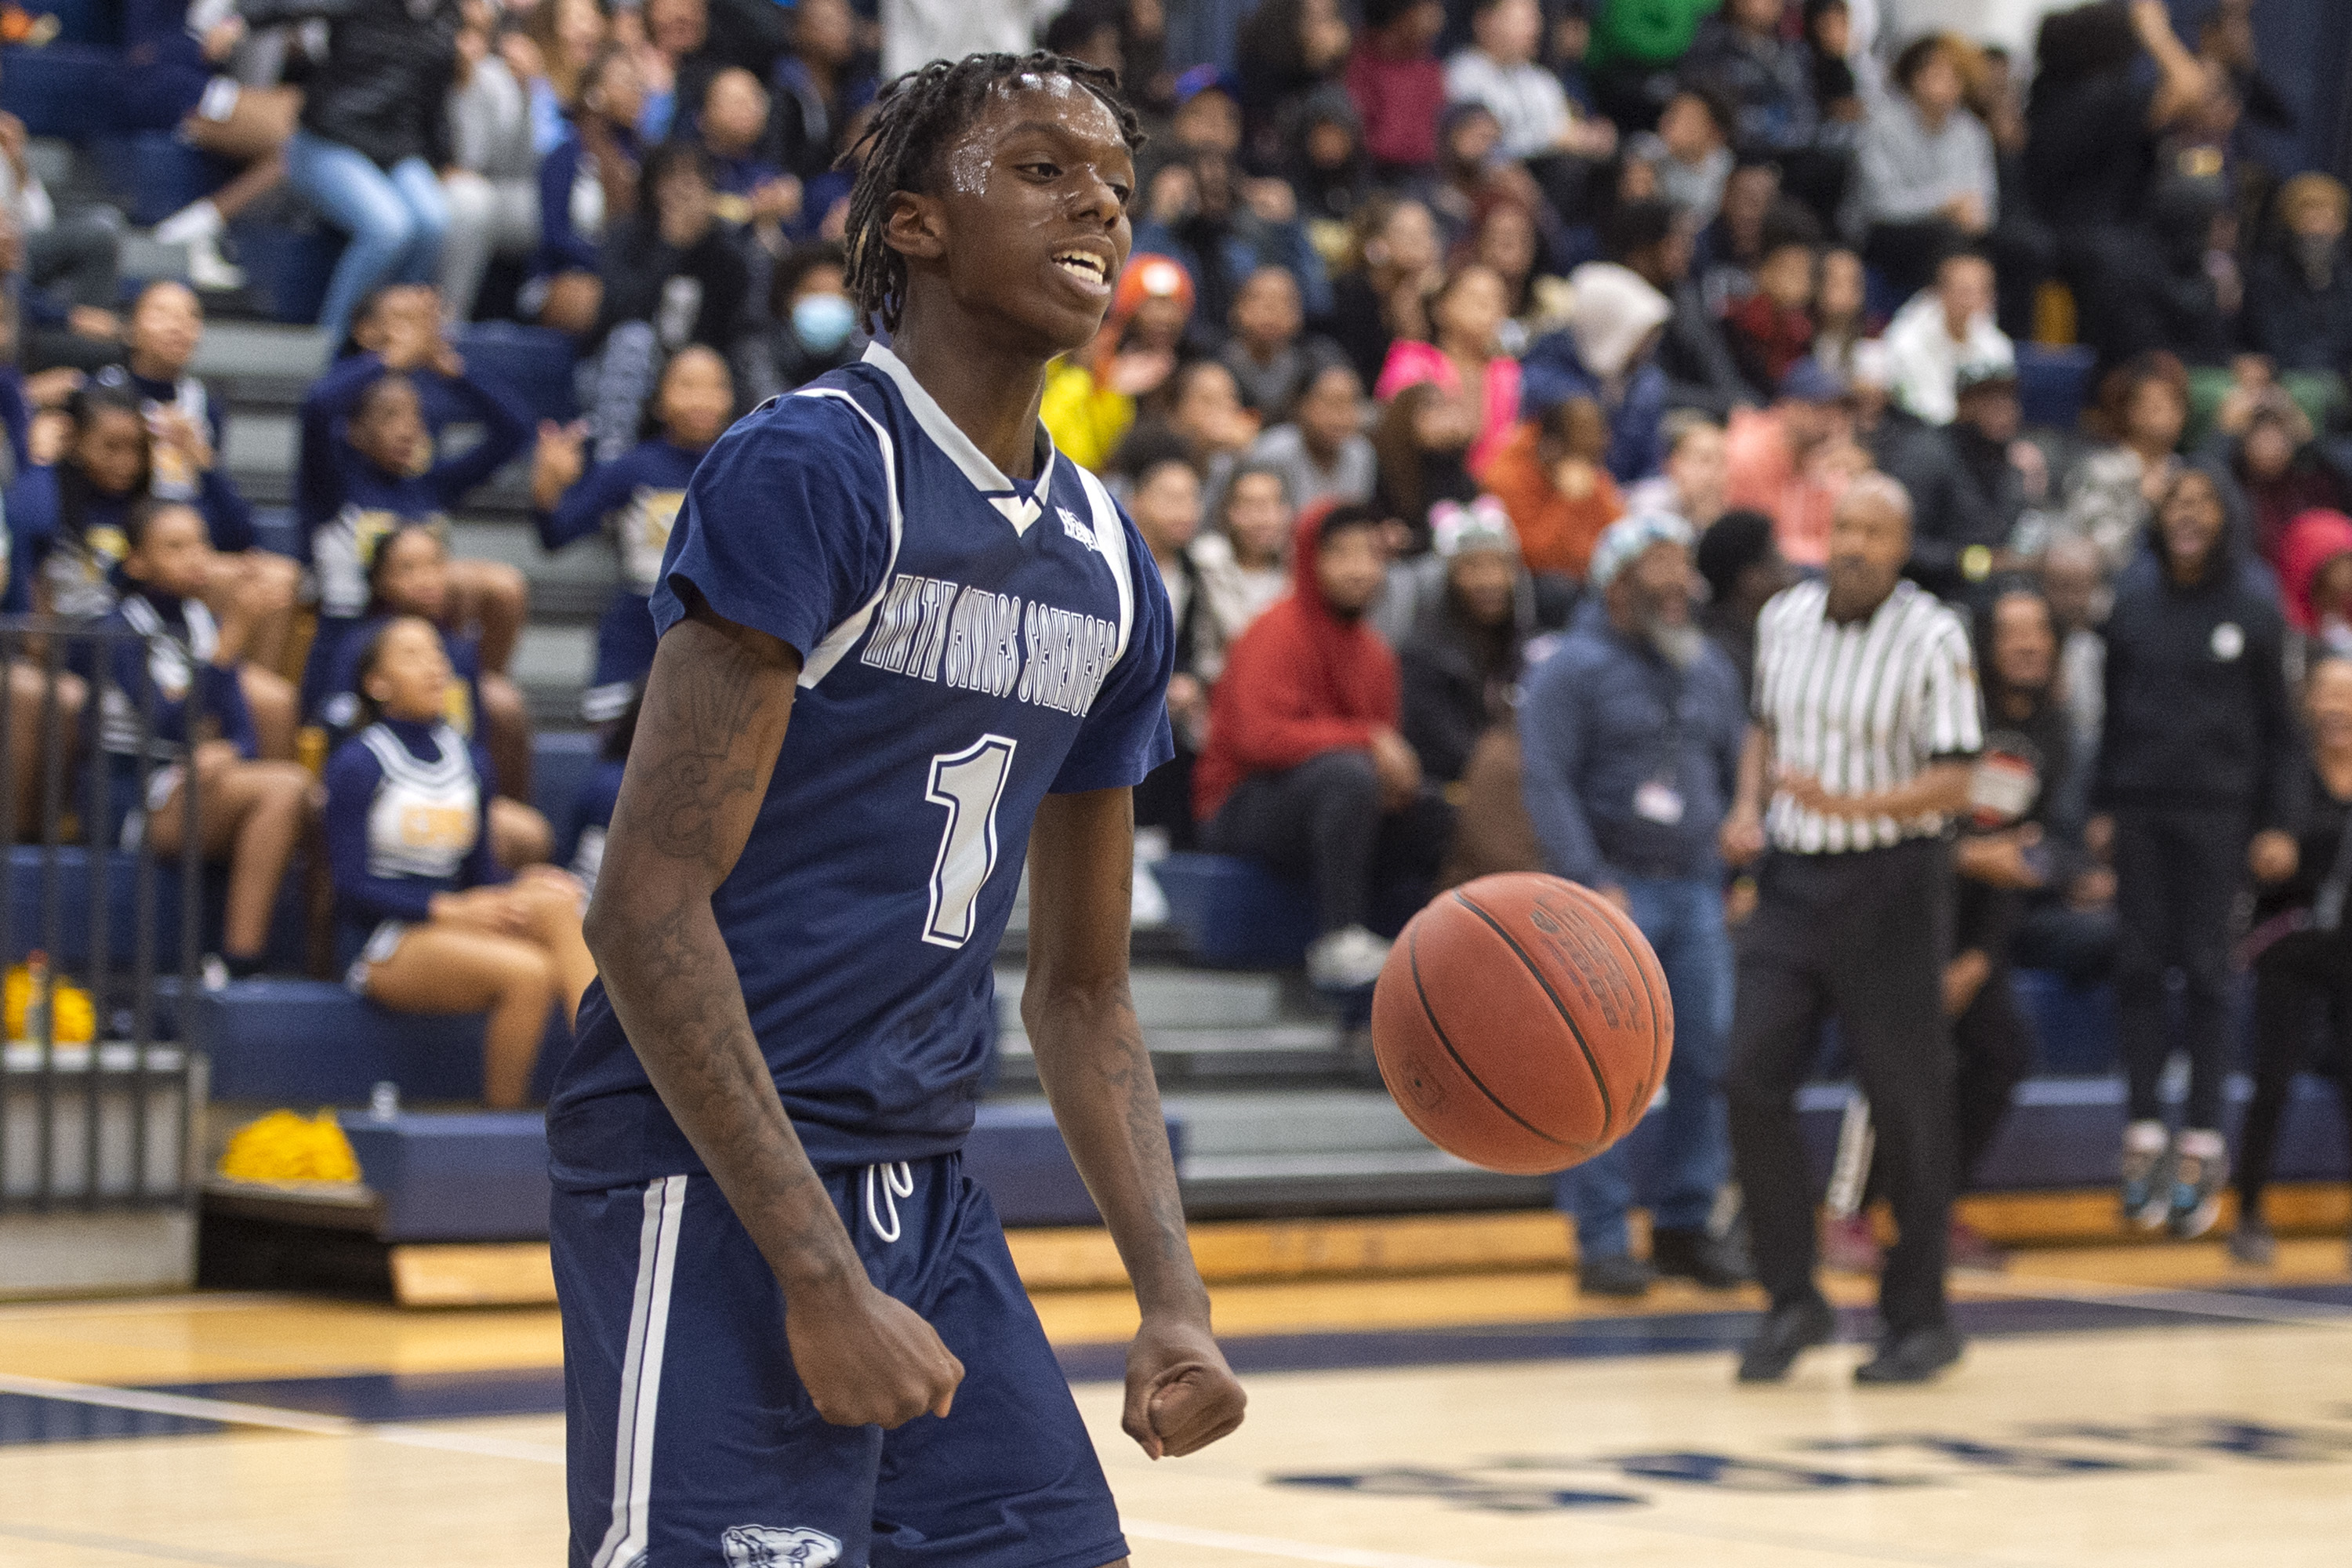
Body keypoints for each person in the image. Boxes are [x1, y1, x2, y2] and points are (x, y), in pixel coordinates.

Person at [544, 52, 1243, 1564]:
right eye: (1046, 170)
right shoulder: (815, 469)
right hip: (709, 1174)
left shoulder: (1112, 563)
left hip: (921, 1190)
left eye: (1116, 183)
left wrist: (1171, 1299)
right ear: (915, 223)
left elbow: (1083, 986)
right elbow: (642, 905)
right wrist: (813, 1276)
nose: (1101, 208)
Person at [1724, 474, 1984, 1386]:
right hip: (1794, 879)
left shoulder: (1935, 633)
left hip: (1893, 879)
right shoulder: (1783, 619)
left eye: (1878, 530)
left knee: (1908, 1103)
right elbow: (1762, 725)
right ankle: (1792, 1298)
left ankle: (1922, 1316)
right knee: (1749, 1077)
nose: (1857, 544)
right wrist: (1748, 805)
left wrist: (1855, 800)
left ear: (1903, 546)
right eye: (1846, 526)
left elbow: (1958, 779)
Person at [1521, 511, 1748, 1298]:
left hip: (1694, 886)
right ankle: (1605, 1236)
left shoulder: (1710, 665)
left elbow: (1737, 759)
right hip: (1613, 887)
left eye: (1686, 565)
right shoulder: (1570, 666)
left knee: (1705, 1057)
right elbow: (1545, 779)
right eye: (1662, 565)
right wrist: (1586, 877)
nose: (1682, 581)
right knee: (1605, 1068)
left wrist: (1739, 833)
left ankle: (1688, 1223)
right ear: (1618, 583)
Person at [2096, 466, 2298, 1240]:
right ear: (2161, 514)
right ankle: (2145, 1133)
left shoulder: (2253, 599)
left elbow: (2280, 729)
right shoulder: (2135, 594)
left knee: (2210, 973)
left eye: (2203, 503)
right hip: (2141, 807)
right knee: (2139, 967)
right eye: (2176, 501)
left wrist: (2276, 820)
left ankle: (2204, 1142)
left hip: (2220, 814)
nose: (2188, 514)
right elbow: (2113, 708)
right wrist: (2102, 803)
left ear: (2225, 516)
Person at [326, 617, 593, 1109]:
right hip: (384, 938)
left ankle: (611, 1071)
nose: (432, 666)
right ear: (376, 684)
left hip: (453, 918)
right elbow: (349, 888)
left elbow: (481, 878)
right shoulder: (358, 762)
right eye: (411, 656)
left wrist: (523, 881)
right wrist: (446, 910)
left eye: (436, 654)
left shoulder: (468, 758)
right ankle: (500, 1121)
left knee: (559, 901)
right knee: (529, 973)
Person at [1196, 500, 1450, 992]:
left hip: (1325, 802)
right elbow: (1258, 741)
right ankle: (1339, 938)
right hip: (1240, 805)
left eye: (1371, 555)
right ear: (1310, 560)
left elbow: (1384, 758)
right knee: (1348, 775)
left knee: (1431, 812)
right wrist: (1368, 740)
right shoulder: (1274, 632)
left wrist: (1398, 783)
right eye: (1342, 555)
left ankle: (1422, 948)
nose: (1360, 570)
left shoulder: (1376, 651)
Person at [96, 501, 310, 979]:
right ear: (137, 562)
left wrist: (227, 749)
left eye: (201, 544)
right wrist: (232, 639)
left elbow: (242, 732)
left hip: (197, 783)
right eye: (175, 547)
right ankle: (240, 962)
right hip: (136, 798)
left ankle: (248, 962)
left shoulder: (200, 622)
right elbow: (168, 724)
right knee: (286, 788)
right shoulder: (118, 628)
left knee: (298, 793)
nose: (196, 557)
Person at [294, 332, 534, 728]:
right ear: (353, 430)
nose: (409, 429)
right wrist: (388, 359)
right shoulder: (332, 487)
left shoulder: (431, 487)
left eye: (415, 416)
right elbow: (318, 407)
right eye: (390, 416)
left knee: (501, 711)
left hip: (429, 647)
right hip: (349, 648)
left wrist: (455, 373)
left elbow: (515, 431)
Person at [317, 523, 552, 869]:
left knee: (528, 833)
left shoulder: (459, 650)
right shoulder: (361, 644)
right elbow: (336, 723)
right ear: (381, 581)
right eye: (407, 569)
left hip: (450, 778)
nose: (425, 579)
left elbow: (477, 739)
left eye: (435, 565)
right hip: (386, 785)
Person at [242, 0, 463, 349]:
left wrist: (445, 158)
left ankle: (395, 344)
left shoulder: (448, 16)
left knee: (434, 222)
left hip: (396, 149)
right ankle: (331, 346)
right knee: (389, 228)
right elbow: (281, 7)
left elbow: (435, 101)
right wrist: (236, 19)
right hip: (327, 140)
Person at [534, 345, 732, 724]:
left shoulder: (743, 469)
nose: (701, 399)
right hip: (635, 637)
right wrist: (548, 485)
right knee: (619, 765)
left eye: (714, 386)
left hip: (713, 637)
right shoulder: (633, 468)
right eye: (686, 385)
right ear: (658, 400)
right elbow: (556, 535)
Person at [2231, 653, 2352, 1269]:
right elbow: (2257, 853)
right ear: (2308, 703)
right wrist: (2264, 854)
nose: (2336, 707)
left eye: (2346, 695)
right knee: (2271, 1080)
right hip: (2289, 942)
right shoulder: (2285, 774)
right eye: (2326, 694)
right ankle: (2249, 1213)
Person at [583, 143, 752, 463]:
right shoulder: (626, 236)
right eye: (671, 177)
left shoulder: (728, 249)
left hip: (699, 368)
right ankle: (612, 462)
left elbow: (737, 325)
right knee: (634, 339)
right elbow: (617, 314)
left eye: (694, 178)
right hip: (620, 368)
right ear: (651, 186)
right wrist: (670, 247)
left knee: (730, 361)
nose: (683, 189)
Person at [126, 0, 300, 290]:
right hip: (173, 89)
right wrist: (202, 45)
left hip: (216, 86)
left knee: (307, 140)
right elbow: (143, 50)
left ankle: (198, 227)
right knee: (304, 135)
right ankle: (195, 229)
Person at [1853, 35, 1996, 301]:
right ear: (1914, 76)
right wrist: (1945, 203)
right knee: (1944, 238)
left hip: (1950, 232)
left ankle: (1991, 335)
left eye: (1954, 75)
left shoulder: (1972, 132)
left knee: (2021, 248)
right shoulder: (1882, 126)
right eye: (1937, 72)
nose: (1946, 83)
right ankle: (1936, 327)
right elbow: (1881, 204)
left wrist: (1972, 214)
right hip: (1883, 232)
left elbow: (1982, 202)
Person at [1397, 498, 1528, 786]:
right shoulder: (1423, 654)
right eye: (1473, 566)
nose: (1490, 580)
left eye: (1500, 565)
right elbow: (1448, 748)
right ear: (1446, 577)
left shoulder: (1516, 641)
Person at [1518, 260, 1672, 488]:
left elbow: (1649, 463)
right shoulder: (1541, 379)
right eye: (1640, 334)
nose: (1648, 347)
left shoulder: (1647, 383)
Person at [530, 42, 644, 335]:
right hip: (564, 274)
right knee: (589, 298)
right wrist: (609, 263)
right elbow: (555, 235)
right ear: (595, 92)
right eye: (624, 81)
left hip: (624, 278)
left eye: (638, 84)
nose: (635, 91)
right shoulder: (567, 153)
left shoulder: (645, 160)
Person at [440, 9, 543, 325]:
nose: (469, 43)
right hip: (437, 182)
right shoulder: (428, 67)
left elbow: (520, 164)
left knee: (574, 205)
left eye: (481, 34)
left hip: (489, 186)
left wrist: (526, 94)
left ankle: (539, 305)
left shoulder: (496, 77)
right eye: (463, 30)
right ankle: (449, 322)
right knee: (472, 202)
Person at [1374, 263, 1521, 477]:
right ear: (1441, 308)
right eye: (1476, 299)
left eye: (1498, 301)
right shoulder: (1413, 360)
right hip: (1420, 482)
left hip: (1489, 494)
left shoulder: (1507, 372)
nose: (1489, 309)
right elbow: (1395, 436)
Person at [1880, 252, 2009, 430]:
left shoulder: (1995, 342)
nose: (1971, 301)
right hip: (1919, 430)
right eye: (1965, 291)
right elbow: (1920, 406)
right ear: (1942, 292)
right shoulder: (1908, 339)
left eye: (1981, 292)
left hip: (1975, 433)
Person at [1192, 463, 1295, 662]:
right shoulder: (1205, 561)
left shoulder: (1298, 568)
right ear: (1229, 511)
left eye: (1271, 505)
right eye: (1249, 506)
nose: (1262, 519)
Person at [735, 241, 859, 406]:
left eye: (840, 295)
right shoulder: (757, 356)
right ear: (788, 300)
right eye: (815, 292)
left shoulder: (863, 364)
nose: (827, 302)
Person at [1246, 361, 1375, 514]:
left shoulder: (1361, 454)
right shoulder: (1271, 454)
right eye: (1330, 403)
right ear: (1301, 404)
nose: (1340, 416)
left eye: (1350, 403)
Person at [1626, 410, 1728, 531]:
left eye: (1723, 462)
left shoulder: (1728, 511)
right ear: (1674, 463)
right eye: (1705, 460)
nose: (1714, 473)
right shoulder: (1648, 509)